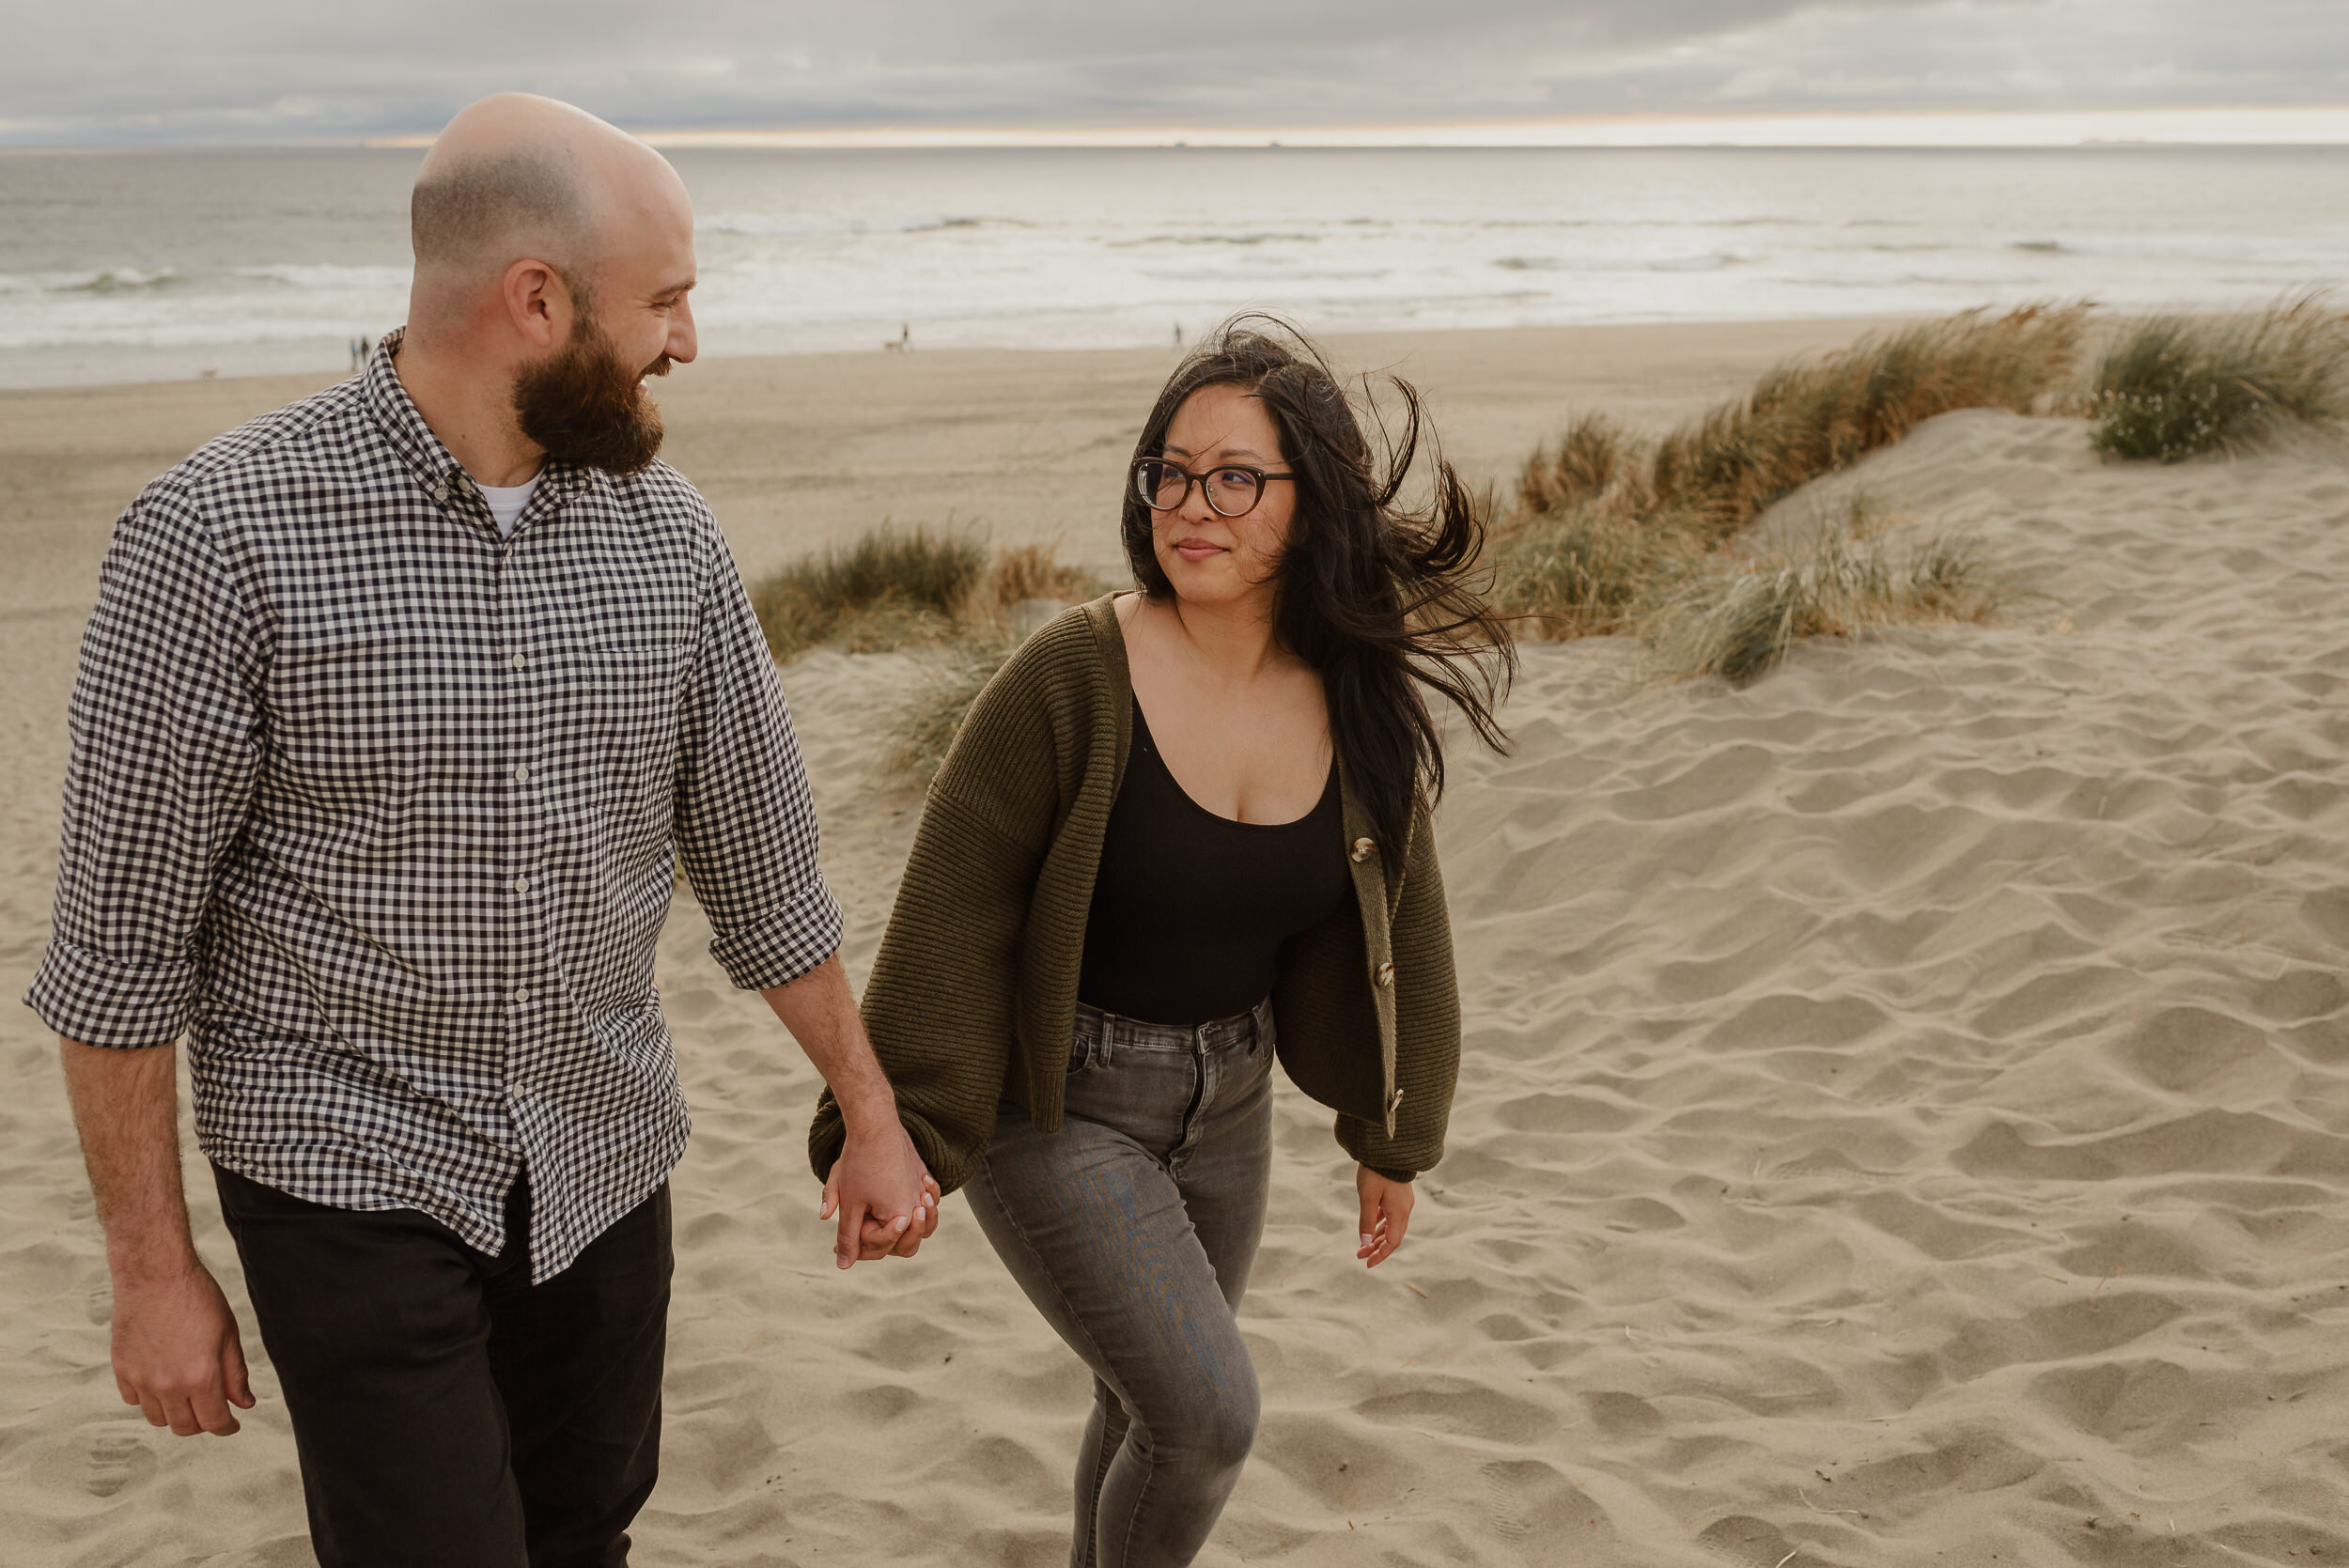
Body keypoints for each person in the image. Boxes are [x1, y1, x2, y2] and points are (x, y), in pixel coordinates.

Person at [28, 93, 937, 1568]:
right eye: (668, 302)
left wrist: (873, 1115)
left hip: (602, 1150)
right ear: (536, 301)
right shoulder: (216, 537)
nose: (688, 344)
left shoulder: (672, 538)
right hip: (345, 1170)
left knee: (585, 1535)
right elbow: (119, 960)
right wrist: (152, 1271)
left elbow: (764, 870)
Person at [812, 318, 1514, 1567]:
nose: (1195, 504)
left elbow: (1404, 911)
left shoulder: (1355, 693)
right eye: (1171, 472)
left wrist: (1392, 1134)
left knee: (1141, 1405)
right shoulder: (1073, 676)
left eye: (1236, 476)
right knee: (1205, 1418)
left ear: (1314, 501)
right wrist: (893, 1132)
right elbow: (955, 909)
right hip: (1059, 1103)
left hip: (1232, 1102)